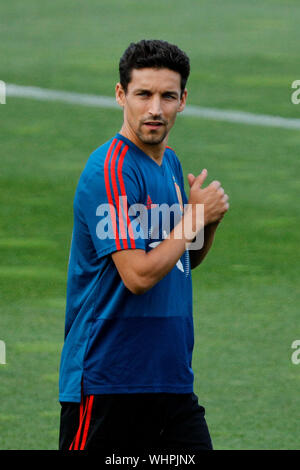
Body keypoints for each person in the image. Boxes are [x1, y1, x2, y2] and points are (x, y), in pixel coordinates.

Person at [58, 39, 229, 452]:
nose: (155, 108)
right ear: (121, 95)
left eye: (167, 96)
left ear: (183, 100)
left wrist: (208, 224)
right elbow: (138, 275)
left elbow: (179, 260)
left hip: (170, 380)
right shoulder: (110, 168)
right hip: (109, 382)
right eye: (143, 94)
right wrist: (193, 218)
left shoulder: (169, 162)